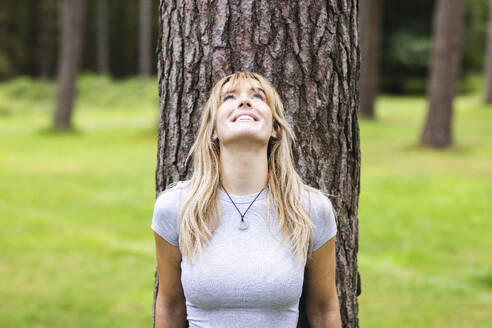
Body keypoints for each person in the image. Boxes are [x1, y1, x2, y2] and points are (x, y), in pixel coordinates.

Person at [151, 71, 341, 328]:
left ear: (275, 128)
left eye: (258, 96)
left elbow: (323, 308)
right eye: (229, 97)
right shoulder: (176, 207)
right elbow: (170, 306)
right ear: (213, 130)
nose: (244, 101)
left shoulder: (309, 208)